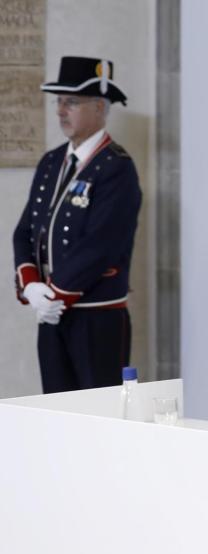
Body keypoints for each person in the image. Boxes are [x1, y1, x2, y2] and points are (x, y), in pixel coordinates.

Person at [12, 56, 142, 393]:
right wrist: (31, 288)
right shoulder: (52, 161)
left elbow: (101, 245)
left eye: (71, 102)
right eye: (59, 102)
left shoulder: (116, 167)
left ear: (99, 107)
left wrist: (54, 295)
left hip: (96, 318)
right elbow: (25, 231)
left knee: (99, 416)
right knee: (56, 412)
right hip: (50, 313)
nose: (60, 111)